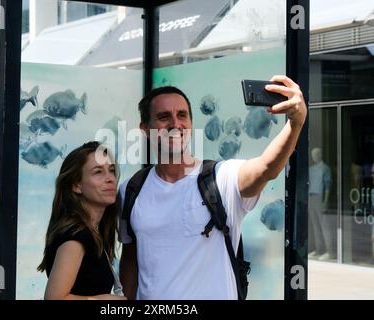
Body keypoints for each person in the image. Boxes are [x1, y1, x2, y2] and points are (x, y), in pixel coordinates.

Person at [119, 75, 307, 300]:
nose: (175, 124)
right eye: (163, 117)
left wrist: (296, 123)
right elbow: (130, 259)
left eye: (182, 115)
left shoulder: (220, 178)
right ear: (145, 129)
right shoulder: (131, 189)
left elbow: (266, 168)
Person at [37, 141, 126, 300]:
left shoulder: (93, 232)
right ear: (76, 185)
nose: (110, 178)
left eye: (111, 170)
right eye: (98, 172)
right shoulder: (77, 237)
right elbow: (54, 298)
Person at [308, 147, 334, 260]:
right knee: (315, 225)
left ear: (320, 155)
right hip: (311, 197)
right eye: (312, 154)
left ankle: (330, 251)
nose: (314, 156)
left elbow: (328, 186)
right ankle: (318, 249)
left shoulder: (325, 168)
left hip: (320, 197)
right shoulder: (311, 168)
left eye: (316, 154)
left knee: (324, 226)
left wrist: (325, 201)